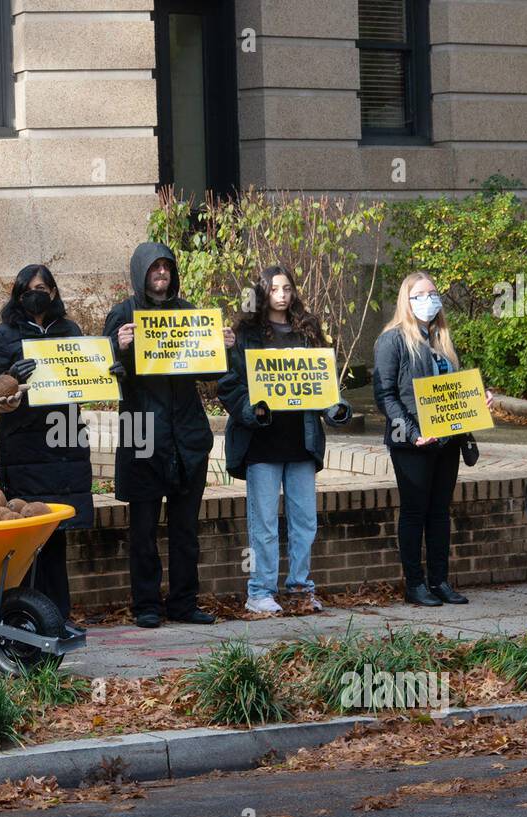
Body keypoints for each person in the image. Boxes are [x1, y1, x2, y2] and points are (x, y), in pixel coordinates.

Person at [103, 242, 235, 629]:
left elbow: (209, 373)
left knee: (185, 529)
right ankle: (146, 603)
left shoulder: (188, 313)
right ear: (141, 272)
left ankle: (183, 601)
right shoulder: (123, 315)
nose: (161, 273)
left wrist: (225, 349)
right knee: (142, 528)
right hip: (142, 432)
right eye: (154, 267)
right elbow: (105, 373)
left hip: (187, 436)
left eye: (166, 267)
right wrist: (118, 348)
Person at [218, 265, 351, 616]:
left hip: (301, 441)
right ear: (262, 293)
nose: (282, 295)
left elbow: (323, 384)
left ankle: (300, 588)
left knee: (305, 520)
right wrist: (253, 411)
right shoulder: (245, 333)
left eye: (287, 288)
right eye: (274, 289)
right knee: (264, 522)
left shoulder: (307, 330)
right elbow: (228, 385)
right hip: (262, 442)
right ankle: (260, 590)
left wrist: (337, 409)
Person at [0, 265, 93, 638]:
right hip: (23, 446)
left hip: (64, 445)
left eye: (43, 287)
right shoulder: (2, 335)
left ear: (54, 291)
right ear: (17, 294)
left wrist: (110, 371)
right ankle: (25, 619)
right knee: (27, 538)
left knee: (57, 534)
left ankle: (58, 616)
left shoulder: (71, 331)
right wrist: (11, 375)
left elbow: (88, 378)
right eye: (29, 289)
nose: (37, 294)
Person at [373, 271, 491, 607]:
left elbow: (454, 391)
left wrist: (476, 403)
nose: (429, 300)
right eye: (420, 295)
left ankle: (440, 581)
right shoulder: (392, 340)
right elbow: (385, 395)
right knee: (414, 511)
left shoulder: (443, 339)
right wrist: (412, 431)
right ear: (406, 301)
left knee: (440, 511)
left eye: (433, 293)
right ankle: (415, 584)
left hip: (447, 440)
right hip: (412, 441)